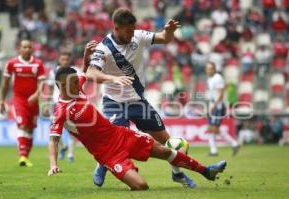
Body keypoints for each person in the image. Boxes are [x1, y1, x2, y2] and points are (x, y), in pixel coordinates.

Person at [47, 66, 227, 191]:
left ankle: (207, 171)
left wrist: (86, 56)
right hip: (108, 154)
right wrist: (53, 164)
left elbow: (86, 72)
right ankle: (112, 168)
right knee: (141, 186)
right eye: (74, 83)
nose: (79, 85)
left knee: (164, 151)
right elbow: (53, 140)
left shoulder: (76, 87)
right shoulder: (61, 111)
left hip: (120, 134)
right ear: (62, 86)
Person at [84, 8, 196, 188]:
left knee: (166, 140)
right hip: (114, 102)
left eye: (132, 29)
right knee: (118, 143)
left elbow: (163, 39)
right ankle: (102, 165)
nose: (131, 33)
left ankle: (178, 174)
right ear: (116, 28)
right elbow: (90, 72)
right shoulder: (103, 47)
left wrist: (169, 32)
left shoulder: (138, 35)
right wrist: (113, 78)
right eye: (127, 30)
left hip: (137, 101)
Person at [0, 39, 45, 167]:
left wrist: (36, 94)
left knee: (30, 129)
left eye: (29, 47)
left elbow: (42, 83)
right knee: (22, 125)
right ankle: (22, 156)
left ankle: (26, 156)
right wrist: (2, 100)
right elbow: (5, 83)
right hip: (19, 100)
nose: (27, 49)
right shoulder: (12, 63)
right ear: (19, 49)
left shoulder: (38, 64)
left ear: (32, 49)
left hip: (33, 101)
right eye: (24, 47)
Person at [46, 51, 79, 162]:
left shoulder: (75, 71)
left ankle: (70, 154)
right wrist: (47, 103)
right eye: (62, 59)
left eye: (66, 59)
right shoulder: (53, 72)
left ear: (69, 60)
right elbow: (50, 89)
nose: (64, 61)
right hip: (57, 103)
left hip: (72, 103)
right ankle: (63, 147)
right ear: (59, 60)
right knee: (53, 128)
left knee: (72, 129)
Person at [205, 62, 240, 156]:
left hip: (218, 107)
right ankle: (214, 150)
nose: (208, 70)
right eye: (207, 68)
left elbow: (221, 94)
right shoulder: (210, 79)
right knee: (211, 128)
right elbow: (213, 94)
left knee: (214, 129)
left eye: (210, 68)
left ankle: (233, 143)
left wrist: (213, 106)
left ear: (214, 69)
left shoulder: (218, 78)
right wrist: (209, 106)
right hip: (212, 106)